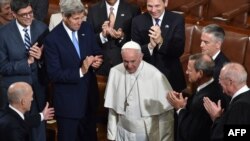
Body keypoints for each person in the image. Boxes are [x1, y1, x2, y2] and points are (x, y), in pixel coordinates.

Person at [44, 1, 103, 141]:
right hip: (68, 106)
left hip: (89, 100)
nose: (79, 22)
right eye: (75, 19)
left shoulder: (86, 28)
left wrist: (97, 61)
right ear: (64, 16)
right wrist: (81, 71)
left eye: (81, 17)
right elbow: (54, 74)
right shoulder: (52, 39)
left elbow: (96, 51)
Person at [104, 41, 174, 141]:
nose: (129, 65)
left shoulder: (155, 75)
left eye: (133, 61)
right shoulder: (115, 72)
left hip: (143, 134)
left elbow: (166, 114)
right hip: (122, 131)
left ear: (141, 57)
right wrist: (111, 134)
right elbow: (112, 109)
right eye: (125, 61)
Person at [0, 0, 48, 140]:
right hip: (15, 94)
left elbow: (51, 60)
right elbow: (2, 67)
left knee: (38, 133)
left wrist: (41, 57)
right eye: (24, 15)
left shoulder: (42, 28)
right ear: (14, 14)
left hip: (38, 90)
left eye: (30, 13)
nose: (28, 17)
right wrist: (26, 62)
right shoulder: (3, 34)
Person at [167, 53, 228, 141]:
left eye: (189, 70)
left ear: (200, 73)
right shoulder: (214, 86)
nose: (187, 72)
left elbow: (189, 134)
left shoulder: (204, 100)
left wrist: (180, 109)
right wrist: (184, 102)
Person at [131, 0, 186, 92]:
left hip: (170, 75)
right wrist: (150, 46)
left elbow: (178, 50)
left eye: (157, 6)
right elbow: (135, 50)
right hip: (145, 76)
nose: (153, 10)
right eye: (150, 6)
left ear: (165, 3)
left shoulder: (177, 19)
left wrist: (161, 41)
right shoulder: (138, 21)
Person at [87, 0, 141, 76]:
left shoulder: (133, 9)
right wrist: (102, 35)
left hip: (125, 65)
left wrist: (122, 36)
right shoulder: (93, 10)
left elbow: (137, 40)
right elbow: (88, 39)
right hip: (100, 66)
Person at [203, 62, 250, 141]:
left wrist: (216, 118)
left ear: (230, 82)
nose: (219, 82)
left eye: (220, 79)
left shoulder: (240, 105)